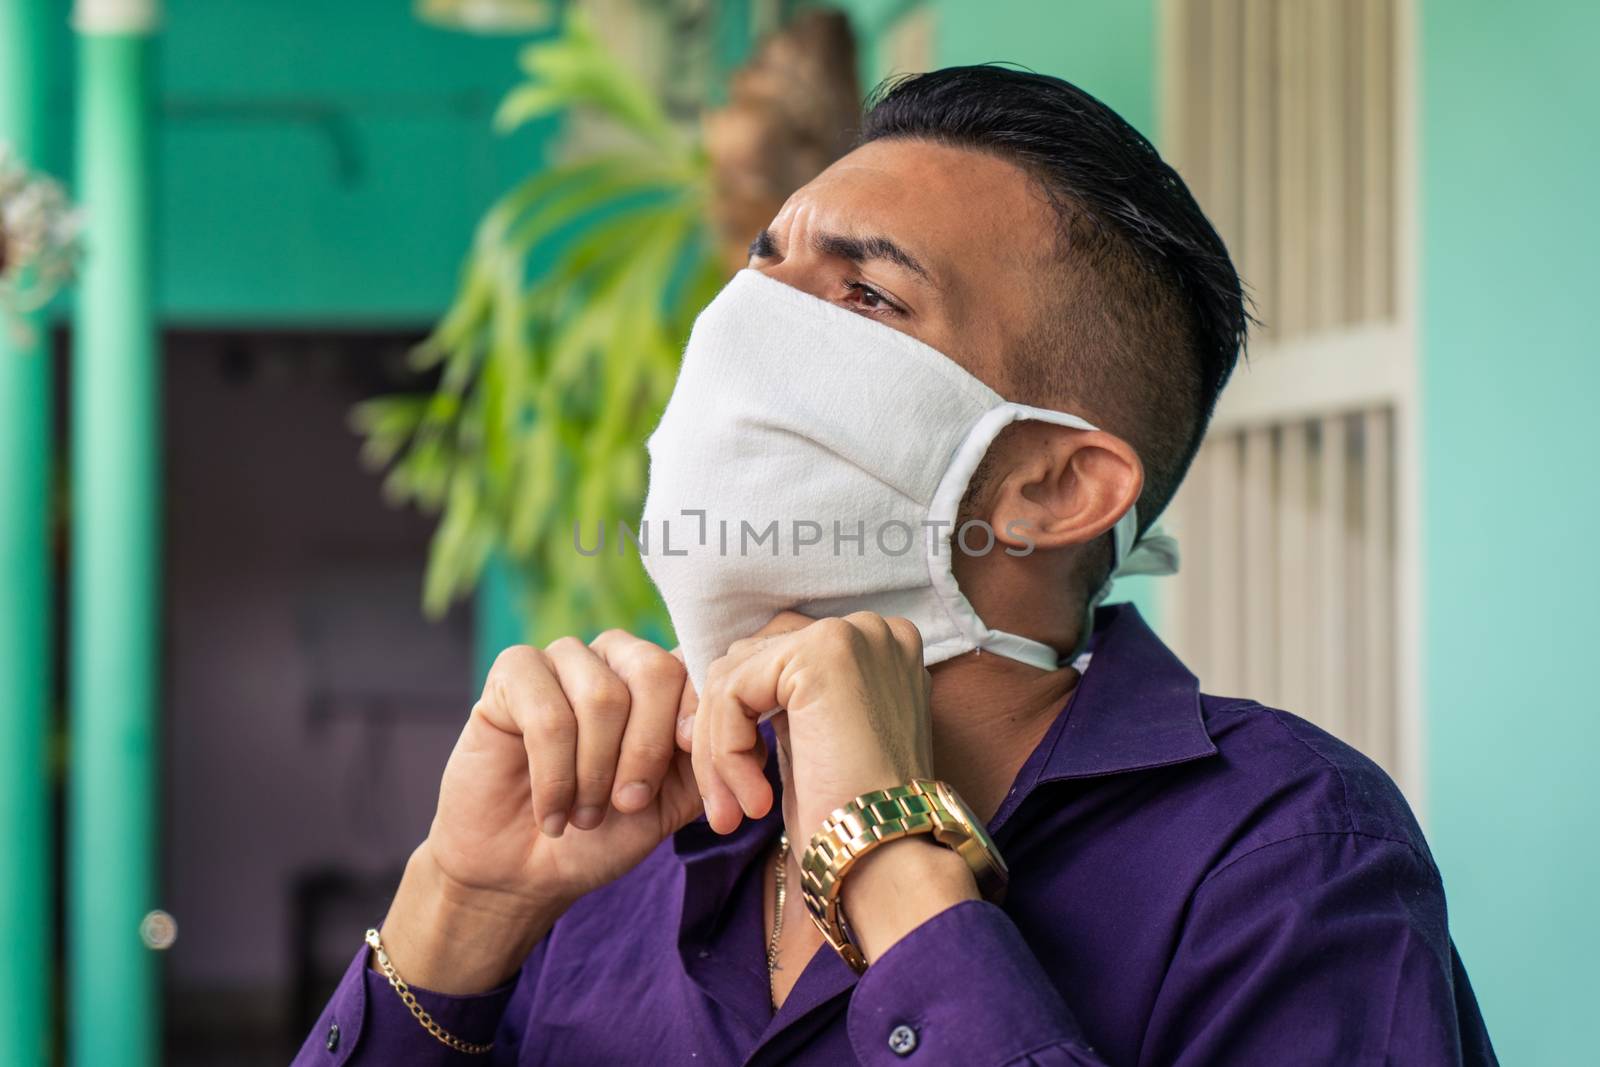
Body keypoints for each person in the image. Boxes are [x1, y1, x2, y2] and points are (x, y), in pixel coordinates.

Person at [294, 66, 1495, 1065]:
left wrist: (882, 846)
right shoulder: (610, 837)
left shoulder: (1285, 854)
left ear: (1057, 487)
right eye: (764, 265)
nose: (741, 328)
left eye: (863, 294)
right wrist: (465, 903)